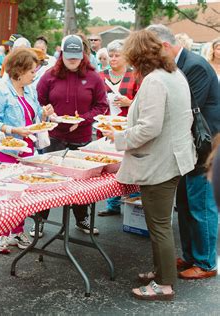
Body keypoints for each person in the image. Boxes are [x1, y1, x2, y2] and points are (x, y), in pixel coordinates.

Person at [102, 29, 196, 300]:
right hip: (173, 158)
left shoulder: (155, 81)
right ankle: (161, 272)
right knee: (161, 224)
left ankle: (164, 284)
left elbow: (150, 128)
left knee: (159, 226)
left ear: (140, 56)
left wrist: (119, 137)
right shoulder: (174, 74)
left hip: (160, 163)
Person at [148, 24, 220, 280]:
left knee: (201, 207)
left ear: (166, 46)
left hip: (204, 148)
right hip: (186, 148)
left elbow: (186, 109)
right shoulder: (179, 66)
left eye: (153, 50)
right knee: (186, 204)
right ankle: (191, 256)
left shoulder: (196, 66)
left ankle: (206, 262)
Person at [34, 35, 108, 237]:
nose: (73, 60)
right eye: (69, 56)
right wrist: (45, 111)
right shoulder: (49, 75)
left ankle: (82, 218)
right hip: (54, 135)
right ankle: (40, 220)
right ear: (61, 55)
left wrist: (82, 119)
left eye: (77, 56)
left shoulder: (93, 77)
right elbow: (38, 101)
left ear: (82, 55)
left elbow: (102, 106)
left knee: (82, 183)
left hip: (82, 138)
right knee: (48, 179)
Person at [0, 48, 53, 253]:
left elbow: (33, 118)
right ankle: (1, 233)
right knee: (6, 194)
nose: (35, 75)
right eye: (32, 71)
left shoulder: (30, 89)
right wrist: (13, 130)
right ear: (19, 70)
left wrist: (44, 115)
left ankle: (17, 231)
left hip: (27, 146)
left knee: (23, 193)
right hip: (5, 149)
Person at [97, 39, 139, 216]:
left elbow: (143, 100)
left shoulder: (135, 76)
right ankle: (112, 204)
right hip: (105, 125)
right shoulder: (101, 76)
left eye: (117, 55)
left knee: (129, 162)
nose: (113, 59)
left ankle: (134, 203)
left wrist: (129, 102)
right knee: (109, 163)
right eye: (111, 55)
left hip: (126, 126)